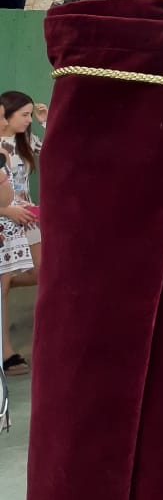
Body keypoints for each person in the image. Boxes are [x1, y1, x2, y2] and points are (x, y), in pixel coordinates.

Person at [0, 92, 41, 376]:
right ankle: (7, 352)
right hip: (5, 219)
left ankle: (6, 281)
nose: (29, 121)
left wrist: (46, 122)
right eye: (24, 115)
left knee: (42, 273)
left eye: (30, 115)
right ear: (4, 114)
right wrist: (6, 211)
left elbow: (59, 150)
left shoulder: (26, 140)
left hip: (28, 217)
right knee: (1, 287)